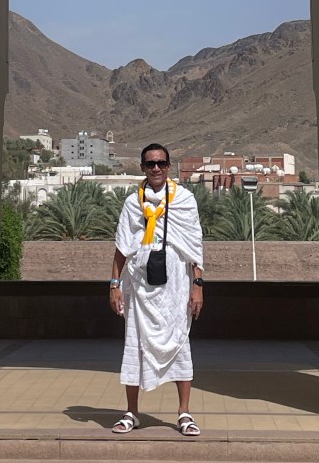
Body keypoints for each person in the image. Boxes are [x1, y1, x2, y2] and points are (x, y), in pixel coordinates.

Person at [109, 142, 204, 436]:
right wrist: (114, 284)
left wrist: (198, 285)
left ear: (169, 166)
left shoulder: (184, 199)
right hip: (139, 288)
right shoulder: (132, 203)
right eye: (150, 164)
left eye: (161, 163)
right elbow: (122, 247)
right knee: (135, 344)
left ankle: (184, 413)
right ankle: (132, 412)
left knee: (180, 344)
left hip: (176, 288)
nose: (156, 168)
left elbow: (195, 247)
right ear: (142, 167)